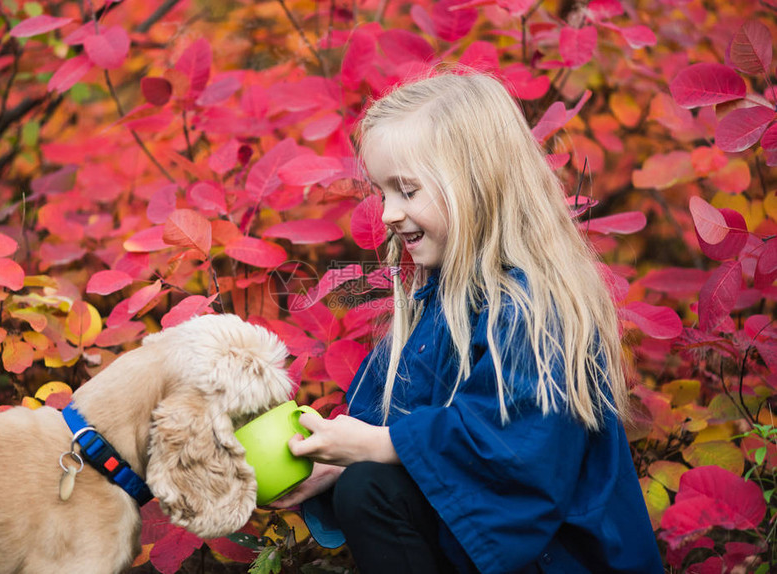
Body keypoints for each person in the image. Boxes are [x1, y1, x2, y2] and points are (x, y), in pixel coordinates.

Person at [269, 72, 663, 574]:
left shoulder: (533, 307)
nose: (388, 213)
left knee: (370, 482)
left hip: (560, 557)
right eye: (383, 191)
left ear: (478, 183)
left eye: (407, 190)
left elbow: (515, 450)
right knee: (366, 485)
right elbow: (395, 417)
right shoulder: (437, 301)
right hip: (476, 546)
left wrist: (377, 446)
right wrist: (332, 458)